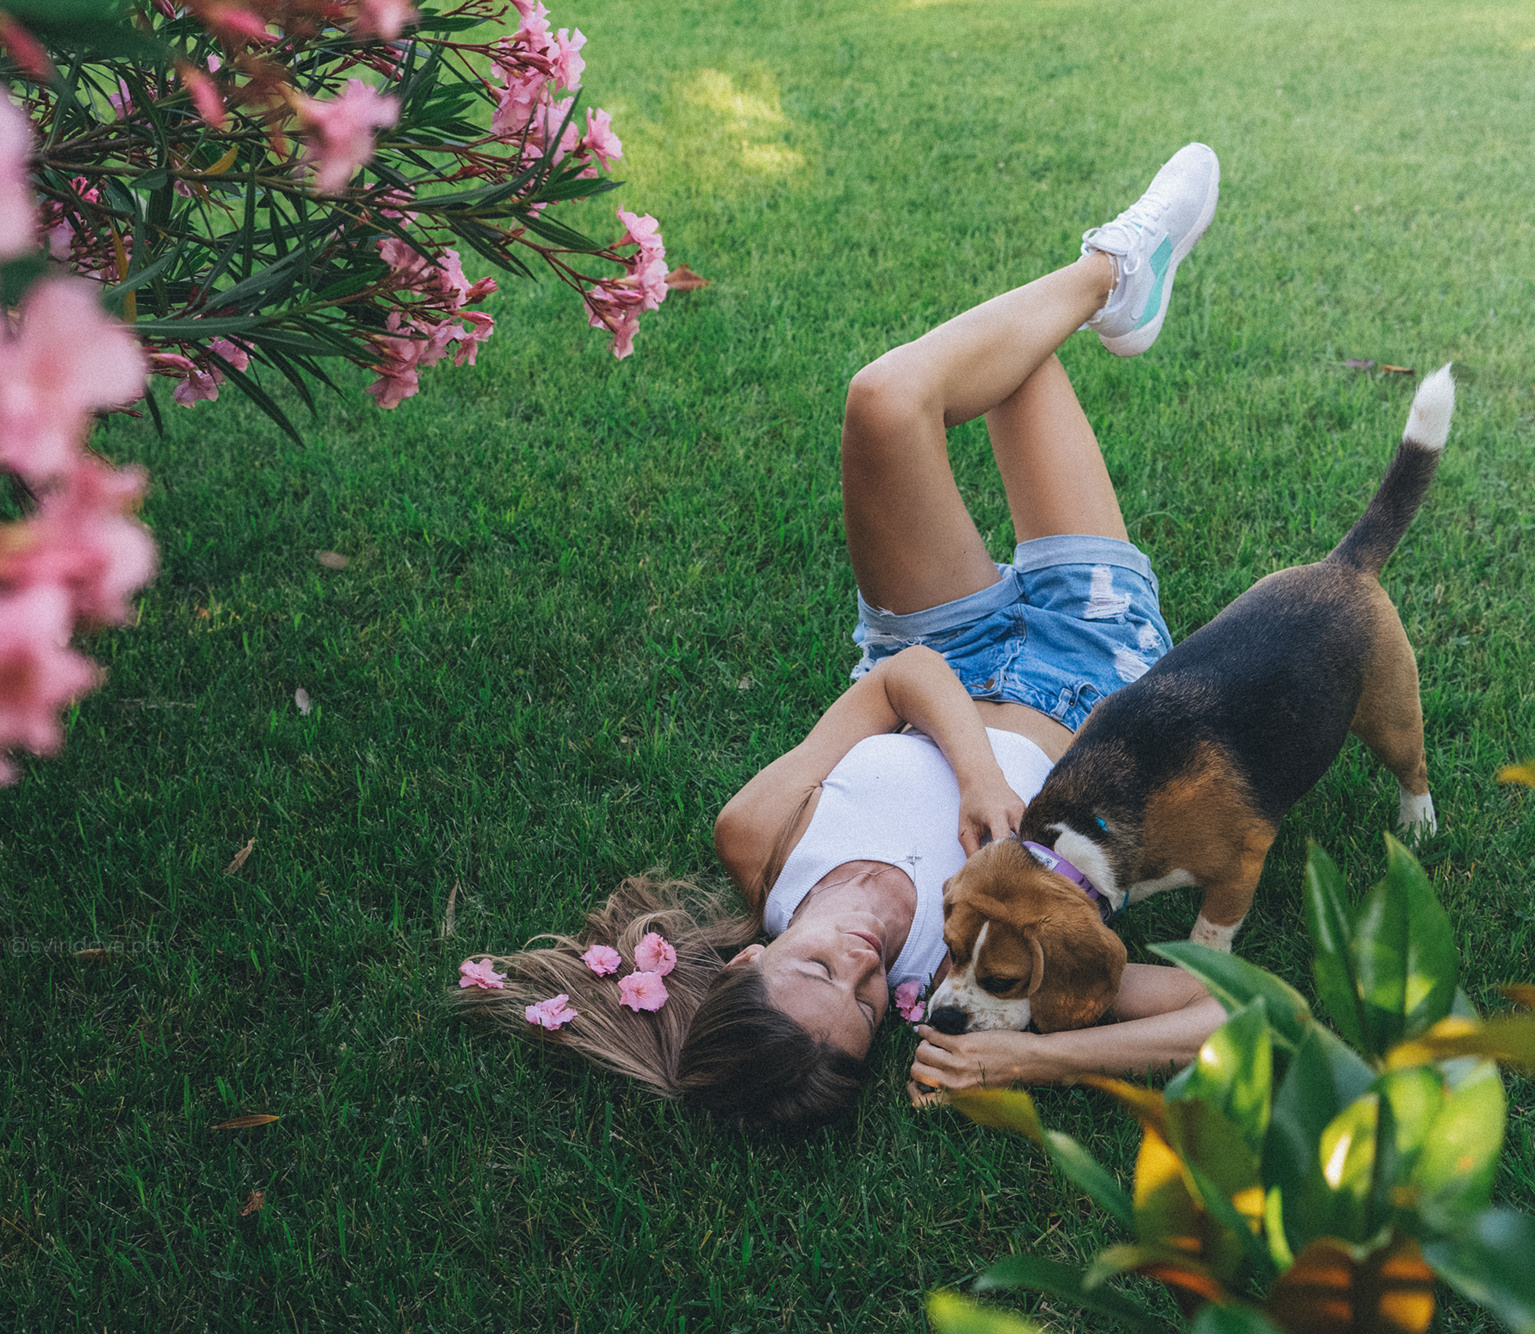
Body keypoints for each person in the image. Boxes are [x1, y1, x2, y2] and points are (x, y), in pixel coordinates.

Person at [459, 145, 1232, 1132]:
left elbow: (898, 679)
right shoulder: (970, 964)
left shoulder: (758, 837)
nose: (869, 959)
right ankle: (1116, 274)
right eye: (868, 1000)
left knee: (885, 399)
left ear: (749, 956)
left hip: (938, 652)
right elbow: (1231, 1012)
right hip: (1094, 670)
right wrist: (1032, 1055)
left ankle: (1115, 269)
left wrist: (981, 782)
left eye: (821, 964)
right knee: (1013, 366)